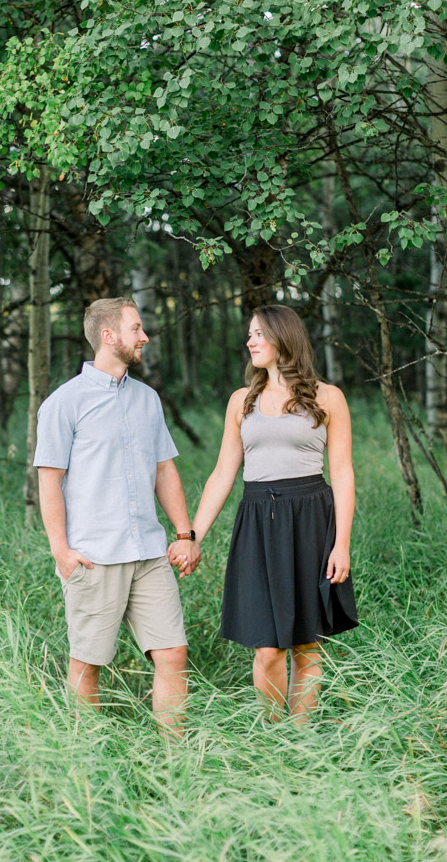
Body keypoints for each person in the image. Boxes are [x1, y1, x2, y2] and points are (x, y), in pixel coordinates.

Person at [169, 304, 357, 722]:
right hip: (257, 521)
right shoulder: (242, 400)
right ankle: (273, 734)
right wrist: (192, 536)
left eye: (258, 334)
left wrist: (340, 543)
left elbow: (342, 474)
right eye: (249, 334)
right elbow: (222, 473)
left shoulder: (328, 397)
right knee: (268, 646)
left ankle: (300, 740)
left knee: (308, 644)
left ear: (282, 338)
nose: (250, 341)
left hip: (311, 521)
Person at [35, 297, 200, 735]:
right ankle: (87, 765)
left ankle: (175, 761)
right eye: (136, 328)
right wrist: (62, 553)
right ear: (109, 336)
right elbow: (49, 482)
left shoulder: (147, 400)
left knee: (173, 655)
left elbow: (164, 469)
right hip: (93, 556)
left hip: (148, 552)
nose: (144, 337)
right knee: (88, 664)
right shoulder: (63, 403)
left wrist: (185, 533)